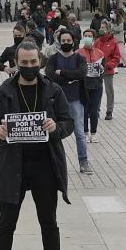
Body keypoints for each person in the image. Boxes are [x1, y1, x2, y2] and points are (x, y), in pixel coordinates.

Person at [0, 41, 73, 250]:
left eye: (34, 63)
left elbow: (69, 123)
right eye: (24, 63)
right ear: (17, 63)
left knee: (49, 223)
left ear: (40, 62)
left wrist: (56, 128)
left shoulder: (53, 90)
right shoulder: (4, 91)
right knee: (6, 224)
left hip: (46, 165)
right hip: (14, 166)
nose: (29, 67)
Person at [44, 30, 90, 175]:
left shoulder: (80, 58)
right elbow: (50, 75)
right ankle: (52, 163)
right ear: (59, 41)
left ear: (73, 41)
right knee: (53, 131)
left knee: (79, 133)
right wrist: (71, 78)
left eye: (68, 41)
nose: (65, 43)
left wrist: (61, 73)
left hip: (75, 100)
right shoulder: (53, 58)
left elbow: (81, 74)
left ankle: (83, 161)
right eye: (63, 41)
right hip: (55, 102)